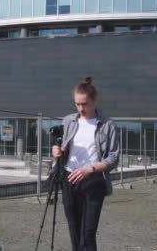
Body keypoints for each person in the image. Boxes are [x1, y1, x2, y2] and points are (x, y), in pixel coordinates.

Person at [52, 77, 119, 251]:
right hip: (69, 179)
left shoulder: (107, 125)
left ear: (94, 101)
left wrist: (91, 168)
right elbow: (63, 148)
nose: (81, 108)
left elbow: (113, 157)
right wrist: (58, 152)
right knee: (74, 230)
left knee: (88, 232)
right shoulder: (68, 121)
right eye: (77, 104)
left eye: (85, 104)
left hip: (93, 181)